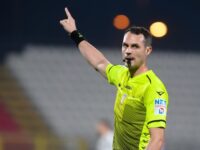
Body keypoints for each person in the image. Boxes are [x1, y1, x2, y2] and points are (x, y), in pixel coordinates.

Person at [60, 7, 169, 150]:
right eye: (125, 46)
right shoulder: (122, 74)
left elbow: (157, 140)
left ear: (147, 50)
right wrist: (75, 34)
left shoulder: (154, 88)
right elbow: (99, 63)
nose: (128, 51)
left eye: (135, 46)